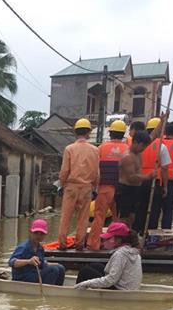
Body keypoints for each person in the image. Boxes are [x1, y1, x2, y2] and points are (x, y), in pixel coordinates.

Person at [87, 120, 131, 250]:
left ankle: (93, 244)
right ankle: (121, 245)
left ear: (110, 133)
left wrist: (94, 186)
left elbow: (95, 169)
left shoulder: (101, 148)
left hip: (104, 187)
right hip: (120, 189)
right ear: (123, 134)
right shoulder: (128, 149)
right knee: (118, 219)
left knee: (99, 217)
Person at [57, 117, 99, 250]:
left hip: (71, 186)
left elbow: (64, 170)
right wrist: (95, 188)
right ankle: (80, 244)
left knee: (66, 216)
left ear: (75, 133)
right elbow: (97, 172)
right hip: (87, 187)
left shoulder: (69, 149)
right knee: (83, 218)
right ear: (88, 133)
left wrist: (61, 185)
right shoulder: (95, 150)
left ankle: (62, 244)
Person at [74, 222, 143, 290]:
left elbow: (111, 280)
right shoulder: (133, 250)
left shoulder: (120, 254)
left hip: (121, 292)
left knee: (85, 271)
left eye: (108, 238)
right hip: (127, 287)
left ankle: (77, 294)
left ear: (119, 239)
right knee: (95, 266)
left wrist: (86, 283)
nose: (105, 241)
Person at [116, 131, 155, 232]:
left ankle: (129, 238)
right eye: (142, 146)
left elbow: (152, 137)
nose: (144, 149)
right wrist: (148, 177)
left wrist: (162, 121)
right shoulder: (128, 157)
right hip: (125, 189)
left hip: (135, 189)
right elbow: (131, 178)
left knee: (132, 217)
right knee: (124, 218)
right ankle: (121, 240)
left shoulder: (138, 153)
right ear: (136, 142)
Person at [9, 218, 66, 285]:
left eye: (41, 234)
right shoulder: (23, 247)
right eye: (36, 233)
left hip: (34, 275)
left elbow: (42, 264)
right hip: (23, 277)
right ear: (31, 232)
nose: (38, 236)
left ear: (45, 235)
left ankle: (57, 290)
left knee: (61, 268)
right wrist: (29, 261)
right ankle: (48, 291)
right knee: (53, 270)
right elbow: (12, 262)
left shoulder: (40, 248)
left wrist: (56, 264)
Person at [139, 116, 172, 231]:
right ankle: (150, 234)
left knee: (139, 210)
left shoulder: (139, 145)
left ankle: (138, 233)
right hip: (154, 182)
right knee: (154, 211)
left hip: (138, 181)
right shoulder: (162, 146)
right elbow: (165, 168)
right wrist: (166, 186)